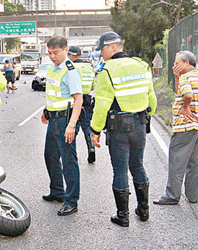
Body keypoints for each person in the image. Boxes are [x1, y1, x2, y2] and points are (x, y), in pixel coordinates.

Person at [91, 31, 157, 227]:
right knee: (137, 165)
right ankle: (143, 211)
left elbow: (102, 105)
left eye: (102, 49)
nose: (100, 54)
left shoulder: (107, 70)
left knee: (120, 170)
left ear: (112, 47)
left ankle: (123, 216)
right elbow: (151, 99)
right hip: (139, 125)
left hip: (119, 129)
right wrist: (145, 117)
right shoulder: (142, 65)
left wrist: (95, 131)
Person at [153, 51, 198, 205]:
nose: (174, 66)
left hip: (185, 126)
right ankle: (193, 195)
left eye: (177, 63)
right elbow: (180, 93)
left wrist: (186, 107)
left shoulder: (186, 77)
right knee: (194, 162)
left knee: (177, 160)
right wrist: (177, 78)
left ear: (187, 63)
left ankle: (172, 195)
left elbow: (187, 95)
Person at [41, 36, 83, 216]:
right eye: (49, 53)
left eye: (55, 52)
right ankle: (57, 191)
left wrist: (72, 125)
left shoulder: (69, 70)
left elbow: (78, 99)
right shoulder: (52, 68)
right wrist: (45, 110)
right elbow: (53, 94)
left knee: (68, 161)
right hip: (53, 119)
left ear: (66, 50)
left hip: (65, 121)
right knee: (50, 155)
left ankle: (71, 201)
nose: (52, 56)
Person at [68, 46, 96, 163]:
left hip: (75, 100)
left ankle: (71, 155)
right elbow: (93, 86)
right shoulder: (89, 67)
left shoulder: (71, 68)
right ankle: (91, 148)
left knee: (73, 127)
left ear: (72, 56)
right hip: (87, 100)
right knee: (87, 127)